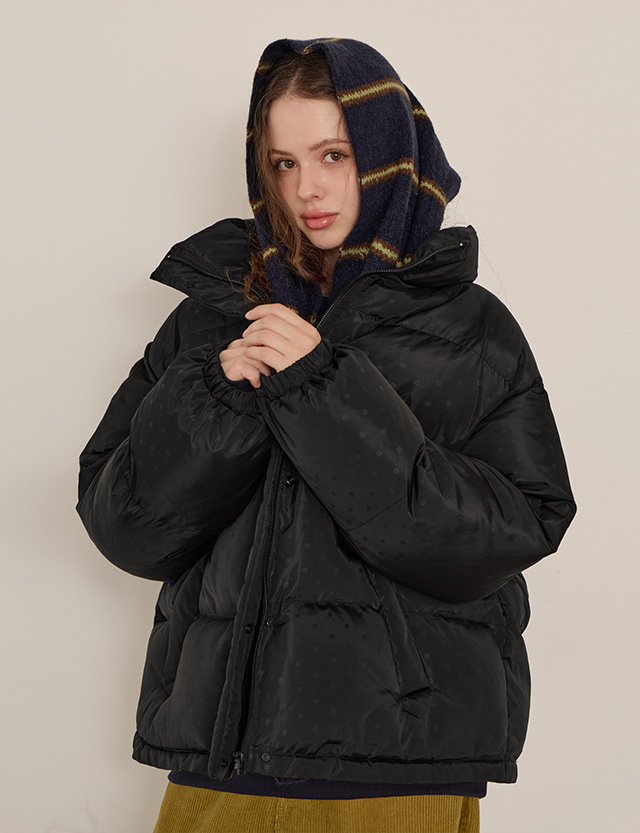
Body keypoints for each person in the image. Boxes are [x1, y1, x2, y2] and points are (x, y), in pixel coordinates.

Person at [75, 37, 577, 833]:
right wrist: (219, 401)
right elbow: (125, 528)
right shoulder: (214, 318)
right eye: (283, 163)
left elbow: (507, 533)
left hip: (398, 769)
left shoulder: (471, 329)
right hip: (221, 760)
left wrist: (322, 391)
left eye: (334, 155)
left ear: (388, 156)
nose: (306, 188)